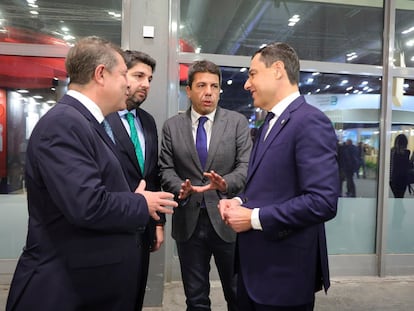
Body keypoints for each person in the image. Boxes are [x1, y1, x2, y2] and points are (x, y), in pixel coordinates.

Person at [6, 36, 177, 311]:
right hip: (67, 289)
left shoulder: (86, 123)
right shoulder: (64, 124)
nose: (129, 84)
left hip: (91, 282)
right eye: (124, 74)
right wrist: (141, 203)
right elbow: (87, 205)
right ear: (101, 74)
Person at [218, 42, 339, 311]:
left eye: (252, 74)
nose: (247, 85)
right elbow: (270, 185)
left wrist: (253, 218)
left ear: (277, 70)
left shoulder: (309, 121)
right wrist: (238, 202)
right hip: (255, 272)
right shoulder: (269, 123)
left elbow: (322, 201)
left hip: (283, 277)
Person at [159, 60, 252, 311]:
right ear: (188, 90)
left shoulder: (237, 123)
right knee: (196, 298)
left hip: (228, 219)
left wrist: (225, 184)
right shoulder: (172, 126)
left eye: (214, 86)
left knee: (237, 294)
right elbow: (165, 168)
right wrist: (181, 188)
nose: (208, 91)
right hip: (188, 221)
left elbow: (245, 167)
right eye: (201, 85)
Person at [105, 50, 164, 310]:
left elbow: (151, 176)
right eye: (138, 76)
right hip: (110, 228)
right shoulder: (99, 121)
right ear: (120, 76)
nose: (146, 85)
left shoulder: (148, 122)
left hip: (142, 228)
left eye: (149, 79)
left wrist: (158, 223)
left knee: (135, 296)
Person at [389, 133, 411, 198]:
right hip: (403, 179)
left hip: (393, 179)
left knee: (397, 197)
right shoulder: (407, 152)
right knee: (400, 197)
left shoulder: (392, 151)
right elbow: (407, 165)